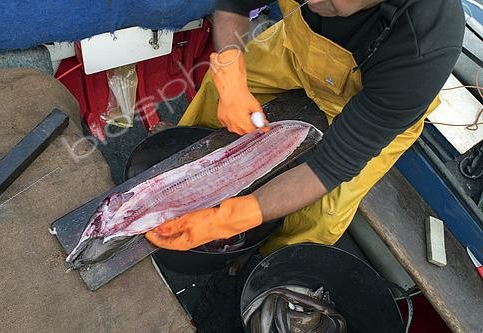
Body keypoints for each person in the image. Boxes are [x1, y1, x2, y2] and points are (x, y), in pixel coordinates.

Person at [146, 0, 464, 254]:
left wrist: (228, 219)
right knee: (215, 92)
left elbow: (329, 167)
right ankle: (171, 174)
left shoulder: (424, 46)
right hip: (295, 52)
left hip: (362, 102)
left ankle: (257, 263)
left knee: (321, 218)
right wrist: (229, 72)